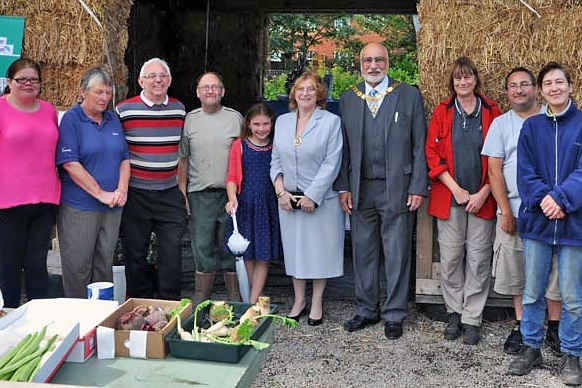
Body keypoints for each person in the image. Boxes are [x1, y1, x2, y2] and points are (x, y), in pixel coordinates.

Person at [336, 43, 428, 339]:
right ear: (359, 63)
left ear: (388, 63)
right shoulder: (349, 98)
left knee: (397, 252)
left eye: (379, 60)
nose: (373, 65)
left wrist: (417, 186)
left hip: (397, 189)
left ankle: (394, 313)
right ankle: (366, 309)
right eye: (367, 60)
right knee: (363, 252)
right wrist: (343, 188)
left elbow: (419, 145)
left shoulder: (408, 95)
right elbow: (344, 150)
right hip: (361, 189)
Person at [508, 62, 582, 385]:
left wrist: (562, 199)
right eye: (548, 83)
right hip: (538, 223)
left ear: (570, 86)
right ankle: (531, 346)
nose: (554, 88)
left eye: (559, 82)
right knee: (533, 291)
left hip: (573, 225)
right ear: (542, 90)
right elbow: (524, 173)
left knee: (573, 295)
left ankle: (572, 353)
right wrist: (545, 201)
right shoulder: (532, 128)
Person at [481, 67, 562, 355]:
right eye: (513, 86)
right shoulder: (501, 125)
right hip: (515, 210)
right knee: (518, 273)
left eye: (524, 85)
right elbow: (494, 171)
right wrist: (505, 211)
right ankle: (522, 324)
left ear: (535, 88)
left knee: (552, 271)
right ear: (507, 92)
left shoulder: (551, 119)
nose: (519, 90)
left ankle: (554, 327)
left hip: (551, 211)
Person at [425, 56, 501, 345]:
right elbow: (432, 155)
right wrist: (455, 188)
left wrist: (484, 192)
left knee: (479, 259)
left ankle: (472, 318)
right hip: (451, 197)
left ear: (475, 80)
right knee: (452, 256)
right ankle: (453, 312)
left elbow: (499, 157)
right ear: (452, 82)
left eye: (467, 77)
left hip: (483, 198)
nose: (463, 82)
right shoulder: (442, 112)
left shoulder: (492, 111)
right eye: (458, 78)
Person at [270, 70, 344, 327]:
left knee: (319, 252)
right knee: (295, 252)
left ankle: (317, 302)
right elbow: (275, 161)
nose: (305, 93)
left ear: (319, 93)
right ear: (293, 94)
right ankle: (299, 300)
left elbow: (332, 162)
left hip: (321, 201)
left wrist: (313, 195)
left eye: (311, 89)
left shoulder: (331, 122)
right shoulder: (282, 122)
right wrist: (281, 192)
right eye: (301, 89)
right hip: (288, 201)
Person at [116, 58, 187, 300]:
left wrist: (182, 189)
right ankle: (138, 305)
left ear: (169, 80)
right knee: (135, 254)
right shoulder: (124, 110)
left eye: (163, 76)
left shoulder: (179, 109)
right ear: (141, 81)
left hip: (168, 192)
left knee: (171, 253)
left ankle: (169, 306)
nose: (158, 80)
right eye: (152, 76)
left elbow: (183, 154)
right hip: (137, 193)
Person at [56, 66, 130, 298]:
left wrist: (121, 190)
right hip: (80, 207)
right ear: (82, 92)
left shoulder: (112, 119)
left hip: (112, 207)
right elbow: (70, 163)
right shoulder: (72, 120)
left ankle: (102, 321)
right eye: (99, 92)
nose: (105, 98)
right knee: (78, 268)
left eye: (108, 93)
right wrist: (101, 193)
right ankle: (79, 324)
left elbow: (124, 158)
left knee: (103, 266)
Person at [178, 72, 243, 302]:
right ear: (197, 92)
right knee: (202, 247)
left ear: (222, 91)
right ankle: (201, 299)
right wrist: (183, 192)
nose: (210, 91)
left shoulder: (235, 119)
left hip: (230, 195)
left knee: (230, 246)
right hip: (199, 194)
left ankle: (234, 299)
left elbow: (244, 155)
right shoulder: (190, 120)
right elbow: (183, 159)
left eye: (215, 87)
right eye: (205, 87)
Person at [0, 58, 60, 307]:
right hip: (8, 201)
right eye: (22, 79)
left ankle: (39, 316)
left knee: (37, 264)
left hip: (45, 199)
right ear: (9, 82)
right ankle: (9, 317)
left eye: (33, 79)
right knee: (9, 263)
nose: (28, 84)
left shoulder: (49, 111)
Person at [225, 102, 281, 303]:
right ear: (248, 124)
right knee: (247, 252)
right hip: (245, 204)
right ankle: (253, 299)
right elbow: (231, 177)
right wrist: (232, 199)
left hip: (268, 204)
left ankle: (252, 300)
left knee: (263, 254)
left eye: (266, 124)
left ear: (272, 124)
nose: (261, 129)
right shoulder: (239, 145)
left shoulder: (276, 145)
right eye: (256, 124)